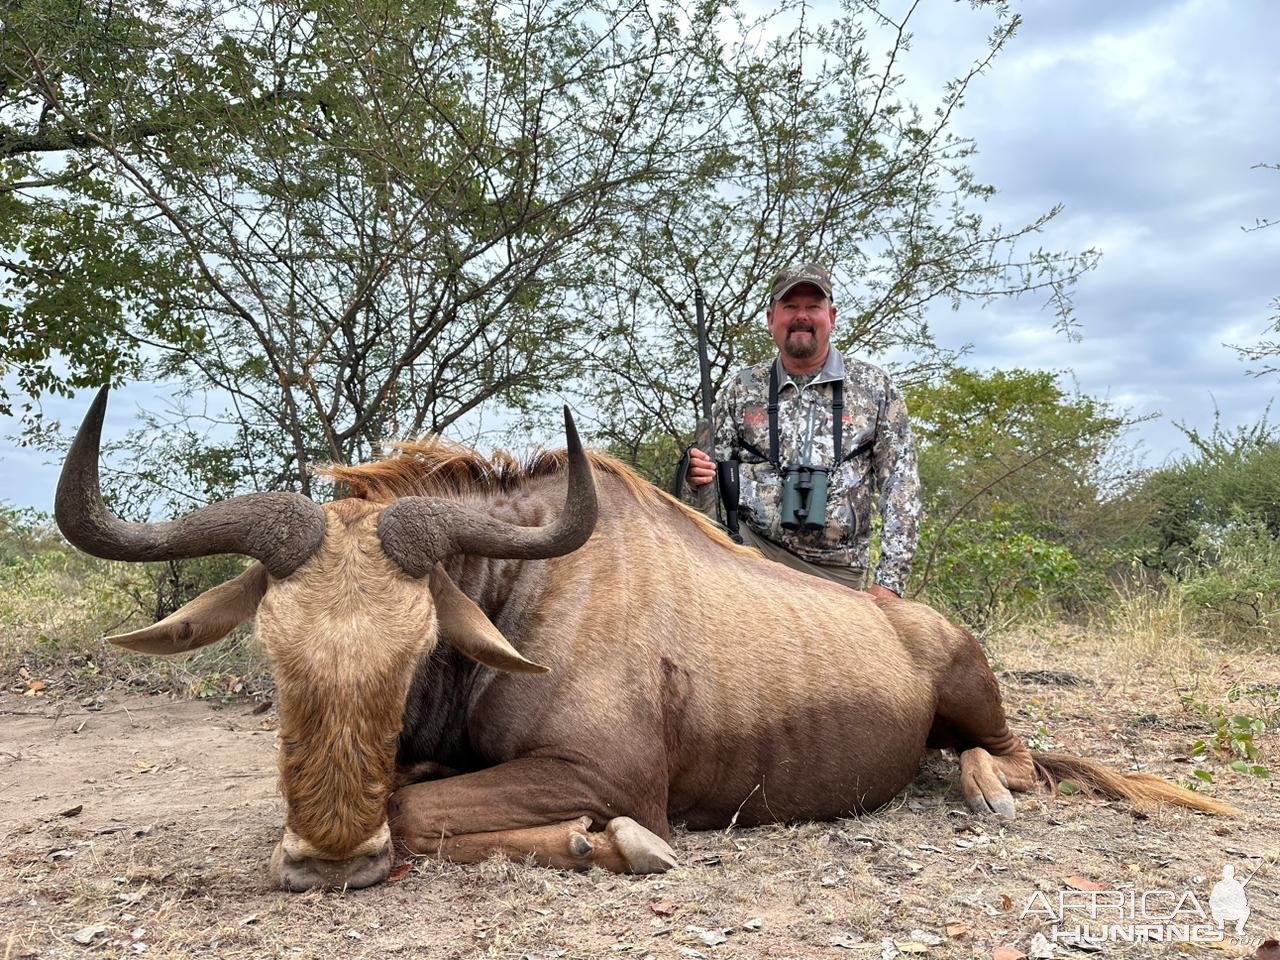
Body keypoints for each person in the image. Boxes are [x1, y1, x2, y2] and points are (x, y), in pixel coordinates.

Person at [686, 263, 920, 598]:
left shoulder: (873, 387)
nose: (802, 316)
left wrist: (889, 584)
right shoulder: (742, 388)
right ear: (771, 319)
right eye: (790, 306)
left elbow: (901, 487)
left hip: (834, 573)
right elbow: (709, 479)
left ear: (832, 317)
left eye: (813, 306)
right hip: (751, 558)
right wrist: (695, 475)